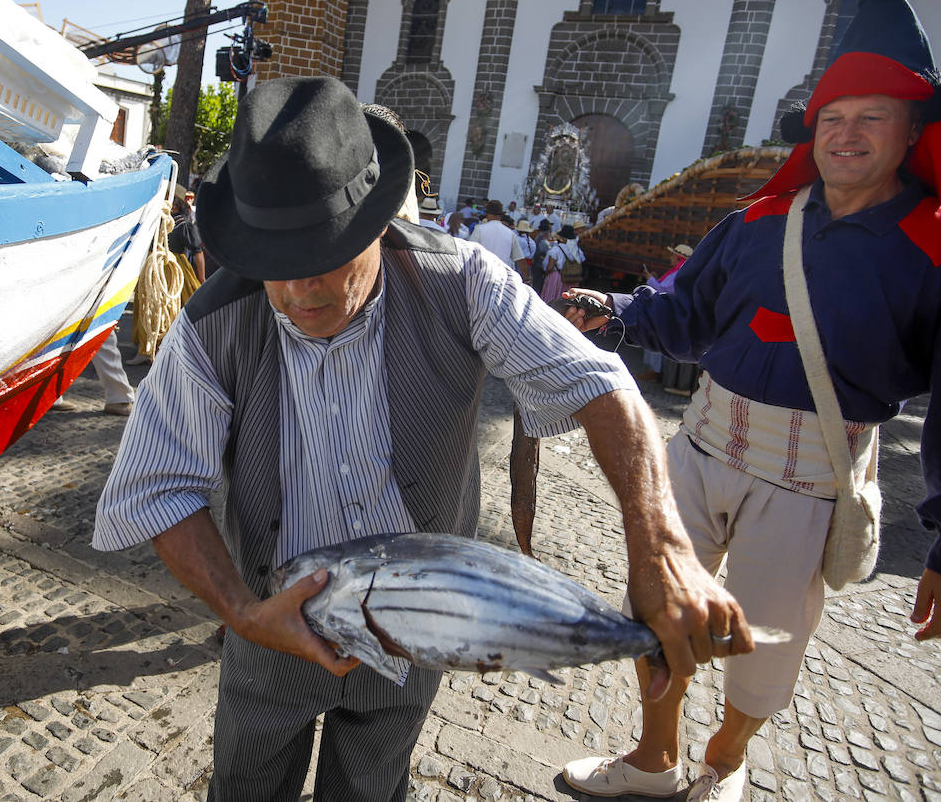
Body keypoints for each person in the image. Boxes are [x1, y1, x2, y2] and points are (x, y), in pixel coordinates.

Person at [93, 75, 752, 802]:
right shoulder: (213, 324)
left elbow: (601, 384)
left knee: (373, 784)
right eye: (274, 265)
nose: (298, 291)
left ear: (376, 222)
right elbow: (157, 485)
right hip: (272, 626)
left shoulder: (462, 281)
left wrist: (659, 546)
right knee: (247, 784)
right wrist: (245, 614)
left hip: (419, 631)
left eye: (325, 255)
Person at [561, 0, 941, 802]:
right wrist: (618, 309)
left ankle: (727, 758)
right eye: (834, 119)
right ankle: (654, 761)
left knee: (766, 647)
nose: (846, 135)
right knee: (653, 605)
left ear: (912, 128)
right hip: (700, 448)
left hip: (812, 478)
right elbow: (685, 307)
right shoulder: (756, 222)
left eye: (870, 118)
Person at [638, 243, 693, 384]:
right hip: (671, 311)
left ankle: (655, 372)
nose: (670, 258)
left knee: (655, 339)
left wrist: (650, 278)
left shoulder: (678, 273)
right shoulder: (682, 271)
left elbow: (661, 289)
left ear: (678, 258)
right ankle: (655, 371)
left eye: (672, 255)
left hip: (666, 311)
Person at [468, 199, 529, 281]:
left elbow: (469, 252)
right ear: (500, 216)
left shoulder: (479, 229)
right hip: (502, 277)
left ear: (487, 214)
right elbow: (520, 259)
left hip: (482, 275)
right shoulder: (510, 234)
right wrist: (527, 280)